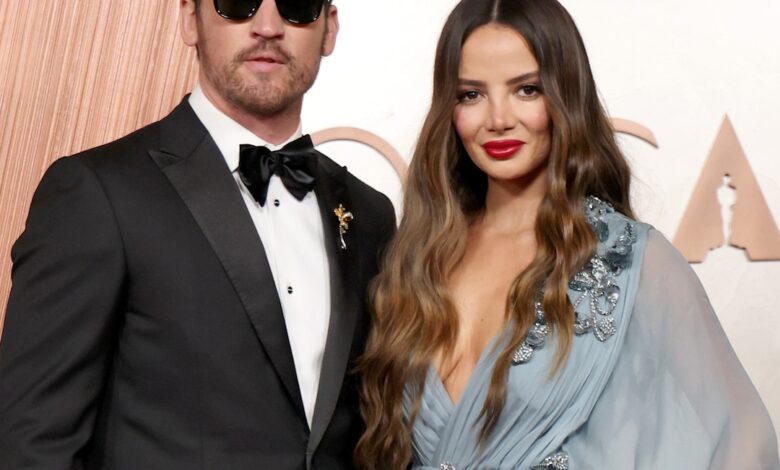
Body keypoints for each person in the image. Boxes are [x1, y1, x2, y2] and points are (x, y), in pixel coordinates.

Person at [355, 0, 780, 468]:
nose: (498, 118)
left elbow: (743, 441)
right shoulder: (419, 258)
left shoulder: (628, 259)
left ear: (565, 95)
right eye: (471, 95)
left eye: (527, 90)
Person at [0, 0, 395, 468]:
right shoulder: (98, 193)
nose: (268, 27)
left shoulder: (371, 214)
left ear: (328, 29)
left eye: (297, 6)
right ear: (191, 20)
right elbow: (31, 442)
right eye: (237, 4)